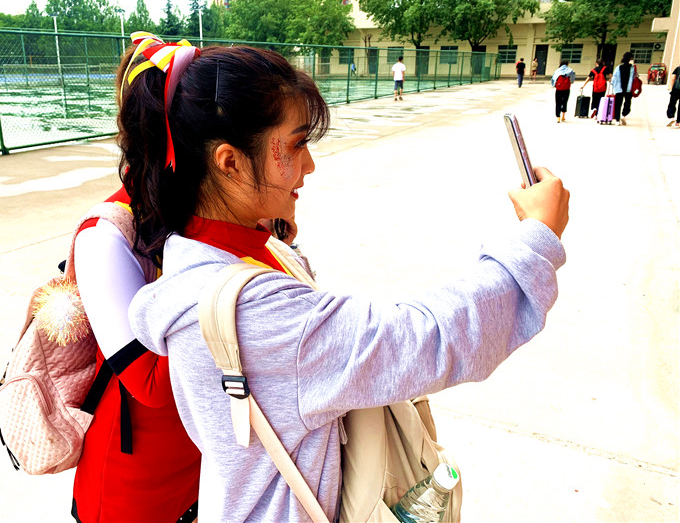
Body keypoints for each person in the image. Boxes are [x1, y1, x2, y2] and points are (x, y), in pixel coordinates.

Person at [120, 34, 569, 521]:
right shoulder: (258, 312)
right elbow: (425, 337)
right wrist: (536, 237)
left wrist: (275, 236)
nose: (309, 164)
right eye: (296, 144)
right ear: (230, 163)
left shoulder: (205, 260)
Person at [71, 183, 201, 523]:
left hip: (202, 457)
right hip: (137, 479)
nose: (307, 167)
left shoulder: (210, 209)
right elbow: (149, 383)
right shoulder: (106, 233)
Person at [611, 51, 636, 126]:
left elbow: (614, 79)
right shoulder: (632, 68)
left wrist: (613, 87)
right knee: (627, 104)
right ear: (630, 58)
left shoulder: (618, 67)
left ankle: (617, 120)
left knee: (618, 104)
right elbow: (635, 77)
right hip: (628, 89)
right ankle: (624, 115)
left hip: (619, 89)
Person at [666, 64, 680, 128]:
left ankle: (671, 117)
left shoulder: (678, 69)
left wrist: (672, 89)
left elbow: (673, 78)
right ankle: (678, 122)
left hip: (676, 89)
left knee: (672, 103)